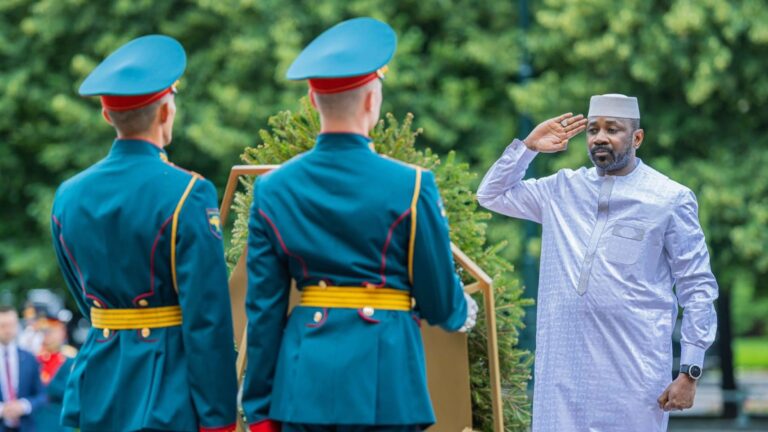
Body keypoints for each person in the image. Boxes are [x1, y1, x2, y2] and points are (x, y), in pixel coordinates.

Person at [241, 17, 478, 432]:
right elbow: (439, 300)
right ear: (372, 102)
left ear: (312, 102)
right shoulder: (411, 185)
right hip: (387, 383)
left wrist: (259, 409)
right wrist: (461, 311)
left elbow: (263, 310)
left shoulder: (273, 189)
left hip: (303, 386)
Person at [477, 94, 719, 431]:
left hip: (634, 377)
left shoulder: (669, 199)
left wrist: (690, 371)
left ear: (637, 138)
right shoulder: (560, 190)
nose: (599, 137)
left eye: (612, 129)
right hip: (561, 375)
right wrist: (528, 148)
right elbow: (491, 194)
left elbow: (697, 287)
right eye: (593, 129)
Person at [50, 35, 237, 432]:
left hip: (94, 382)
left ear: (106, 116)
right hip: (166, 386)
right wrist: (218, 417)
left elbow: (83, 296)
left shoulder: (68, 194)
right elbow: (207, 319)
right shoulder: (188, 192)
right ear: (167, 110)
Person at [0, 306, 45, 432]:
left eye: (11, 325)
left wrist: (24, 406)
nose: (7, 330)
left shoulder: (29, 358)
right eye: (3, 325)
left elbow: (41, 395)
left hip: (25, 427)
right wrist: (3, 409)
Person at [33, 319, 75, 432]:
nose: (47, 335)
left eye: (52, 331)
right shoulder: (35, 359)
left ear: (63, 332)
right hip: (36, 421)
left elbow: (69, 390)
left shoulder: (69, 359)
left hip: (59, 421)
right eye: (45, 332)